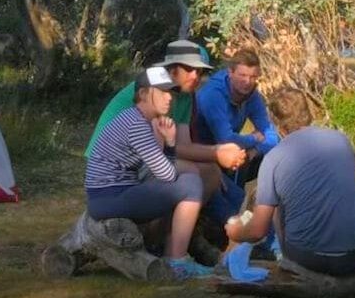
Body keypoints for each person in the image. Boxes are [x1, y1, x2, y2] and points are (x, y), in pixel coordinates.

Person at [224, 88, 355, 277]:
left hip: (305, 258)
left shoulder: (273, 159)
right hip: (353, 258)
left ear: (276, 123)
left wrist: (236, 232)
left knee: (274, 204)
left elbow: (257, 230)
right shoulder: (342, 141)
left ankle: (281, 254)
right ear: (308, 113)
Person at [84, 66, 213, 279]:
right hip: (109, 198)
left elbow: (161, 170)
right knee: (191, 184)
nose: (169, 98)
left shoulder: (133, 118)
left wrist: (169, 144)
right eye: (162, 92)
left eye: (170, 92)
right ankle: (177, 261)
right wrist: (171, 143)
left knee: (187, 180)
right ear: (143, 95)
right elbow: (166, 174)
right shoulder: (136, 125)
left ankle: (172, 252)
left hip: (110, 194)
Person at [85, 40, 248, 205]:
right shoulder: (153, 91)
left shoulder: (185, 95)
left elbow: (184, 146)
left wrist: (218, 155)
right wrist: (217, 153)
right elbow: (161, 148)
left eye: (200, 72)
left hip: (146, 156)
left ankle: (237, 224)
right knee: (199, 174)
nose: (195, 77)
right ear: (172, 69)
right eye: (189, 69)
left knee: (218, 181)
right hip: (117, 166)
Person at [195, 47, 278, 220]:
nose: (248, 82)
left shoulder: (252, 95)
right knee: (234, 204)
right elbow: (225, 138)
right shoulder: (213, 94)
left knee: (268, 157)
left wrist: (256, 149)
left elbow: (272, 135)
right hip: (202, 155)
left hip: (235, 157)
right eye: (242, 76)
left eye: (253, 77)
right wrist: (253, 138)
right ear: (230, 72)